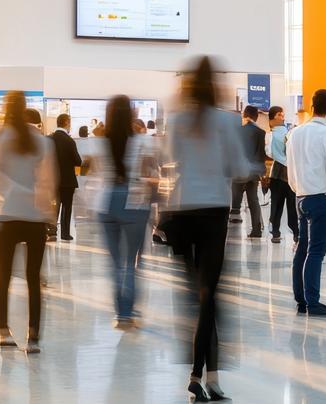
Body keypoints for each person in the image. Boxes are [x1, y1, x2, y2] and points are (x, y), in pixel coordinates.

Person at [164, 56, 248, 402]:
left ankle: (199, 372)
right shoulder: (225, 122)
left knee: (193, 297)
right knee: (209, 297)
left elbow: (170, 160)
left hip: (182, 211)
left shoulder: (178, 119)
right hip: (214, 211)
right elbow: (239, 166)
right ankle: (205, 375)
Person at [0, 91, 57, 353]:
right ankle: (34, 336)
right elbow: (49, 182)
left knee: (3, 278)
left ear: (5, 109)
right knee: (33, 279)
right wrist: (48, 213)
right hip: (34, 217)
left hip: (5, 216)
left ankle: (3, 332)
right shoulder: (42, 141)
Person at [87, 96, 158, 329]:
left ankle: (121, 313)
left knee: (116, 263)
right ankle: (128, 310)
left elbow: (95, 176)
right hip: (134, 202)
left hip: (105, 203)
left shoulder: (99, 143)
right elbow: (150, 175)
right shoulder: (141, 142)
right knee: (133, 261)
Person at [287, 90, 326, 317]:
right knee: (316, 252)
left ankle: (300, 299)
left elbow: (290, 169)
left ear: (311, 106)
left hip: (301, 196)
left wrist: (298, 190)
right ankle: (313, 302)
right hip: (322, 198)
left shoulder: (295, 133)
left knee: (302, 249)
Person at [229, 105, 266, 238]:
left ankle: (232, 233)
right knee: (253, 201)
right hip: (253, 172)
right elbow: (261, 154)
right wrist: (262, 172)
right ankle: (256, 229)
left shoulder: (236, 131)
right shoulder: (261, 132)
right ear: (256, 116)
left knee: (235, 202)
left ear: (244, 115)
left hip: (238, 172)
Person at [264, 106, 297, 243]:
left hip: (278, 173)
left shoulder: (278, 134)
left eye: (283, 114)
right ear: (272, 118)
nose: (282, 116)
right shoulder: (289, 133)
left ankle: (276, 232)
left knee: (277, 204)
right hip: (288, 173)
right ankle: (295, 232)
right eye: (279, 114)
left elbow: (269, 153)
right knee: (290, 203)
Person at [49, 113, 82, 242]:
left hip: (52, 179)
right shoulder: (69, 141)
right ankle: (65, 233)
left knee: (53, 205)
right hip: (68, 180)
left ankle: (52, 231)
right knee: (66, 207)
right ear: (66, 122)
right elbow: (77, 161)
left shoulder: (49, 139)